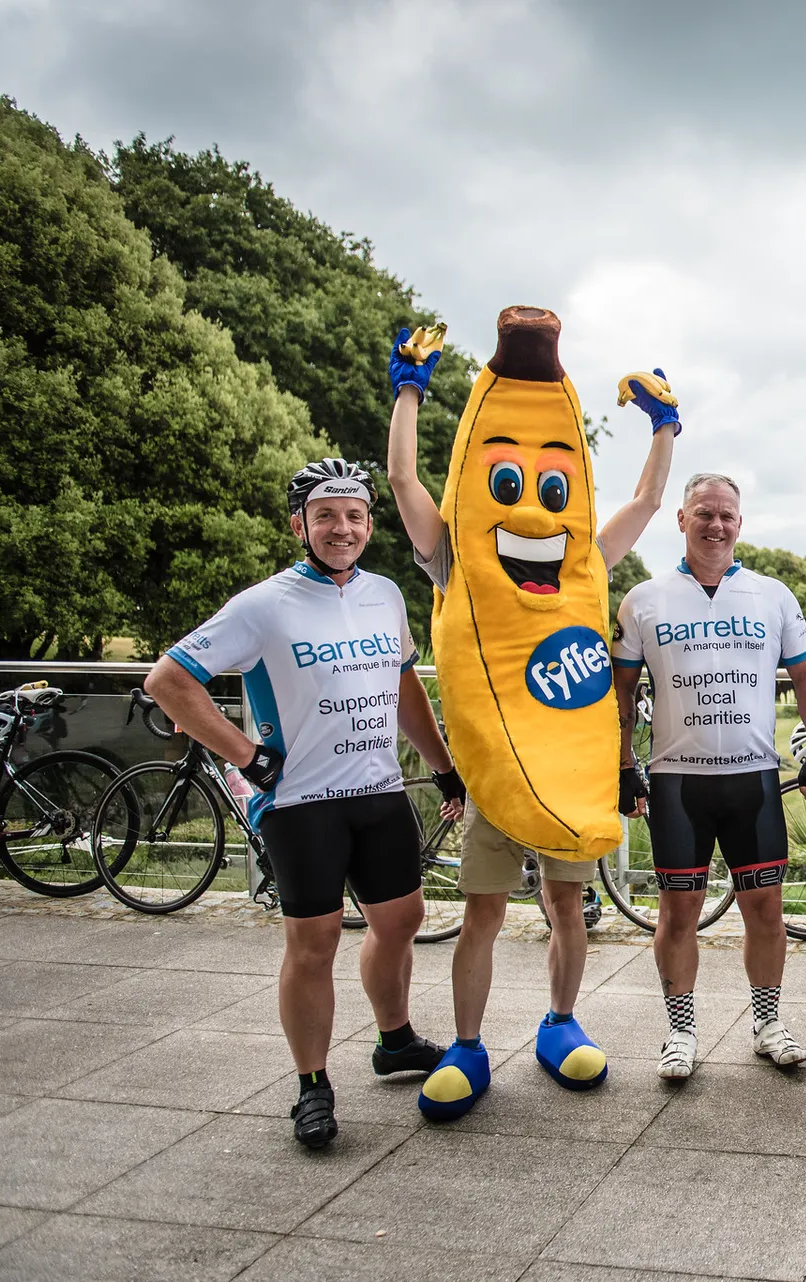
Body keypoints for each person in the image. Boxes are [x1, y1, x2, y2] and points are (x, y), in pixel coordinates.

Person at [384, 321, 677, 1118]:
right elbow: (405, 484)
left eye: (553, 491)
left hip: (567, 773)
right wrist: (409, 393)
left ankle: (560, 1024)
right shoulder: (455, 557)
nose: (537, 512)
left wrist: (665, 430)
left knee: (566, 907)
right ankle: (470, 1044)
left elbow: (649, 501)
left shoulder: (583, 561)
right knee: (480, 912)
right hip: (492, 771)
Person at [145, 458, 467, 1148]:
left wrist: (443, 768)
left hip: (379, 791)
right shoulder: (264, 605)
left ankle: (395, 1040)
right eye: (325, 516)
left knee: (403, 919)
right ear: (300, 525)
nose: (341, 528)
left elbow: (404, 687)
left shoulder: (385, 594)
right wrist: (246, 755)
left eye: (353, 516)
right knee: (313, 942)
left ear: (371, 526)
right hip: (299, 802)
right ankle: (311, 1087)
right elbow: (168, 680)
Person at [613, 473, 806, 1079]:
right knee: (678, 913)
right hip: (678, 782)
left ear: (741, 523)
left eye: (727, 516)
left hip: (754, 778)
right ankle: (680, 1031)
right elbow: (623, 691)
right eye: (704, 513)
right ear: (681, 520)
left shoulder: (772, 595)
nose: (716, 524)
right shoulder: (645, 598)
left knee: (765, 909)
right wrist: (623, 764)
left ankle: (767, 1023)